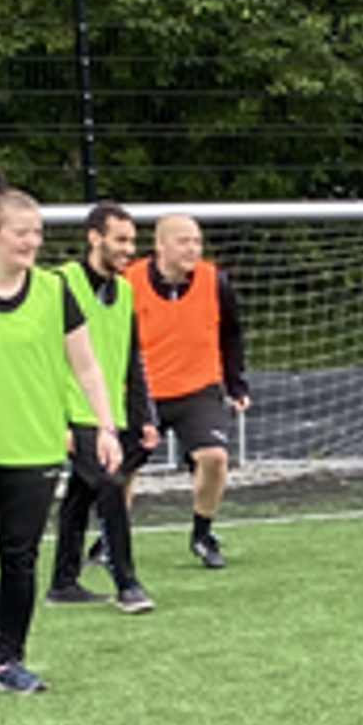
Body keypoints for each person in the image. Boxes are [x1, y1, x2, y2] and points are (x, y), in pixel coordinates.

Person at [0, 185, 122, 694]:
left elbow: (87, 367)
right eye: (22, 232)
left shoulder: (56, 291)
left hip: (33, 447)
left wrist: (104, 426)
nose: (33, 241)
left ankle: (9, 658)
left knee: (20, 556)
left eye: (37, 232)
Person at [48, 201, 160, 614]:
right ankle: (127, 583)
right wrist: (56, 421)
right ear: (94, 237)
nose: (129, 249)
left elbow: (131, 358)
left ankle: (63, 581)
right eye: (121, 239)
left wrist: (144, 416)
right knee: (111, 484)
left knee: (82, 492)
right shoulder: (59, 284)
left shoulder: (126, 290)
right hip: (72, 413)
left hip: (108, 415)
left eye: (133, 240)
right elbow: (42, 356)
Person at [129, 211, 250, 569]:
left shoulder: (215, 282)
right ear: (160, 245)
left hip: (198, 388)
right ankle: (111, 537)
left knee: (214, 457)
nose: (192, 248)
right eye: (183, 241)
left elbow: (232, 334)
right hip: (142, 391)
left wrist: (235, 382)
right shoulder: (128, 281)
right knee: (122, 468)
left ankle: (202, 533)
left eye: (196, 241)